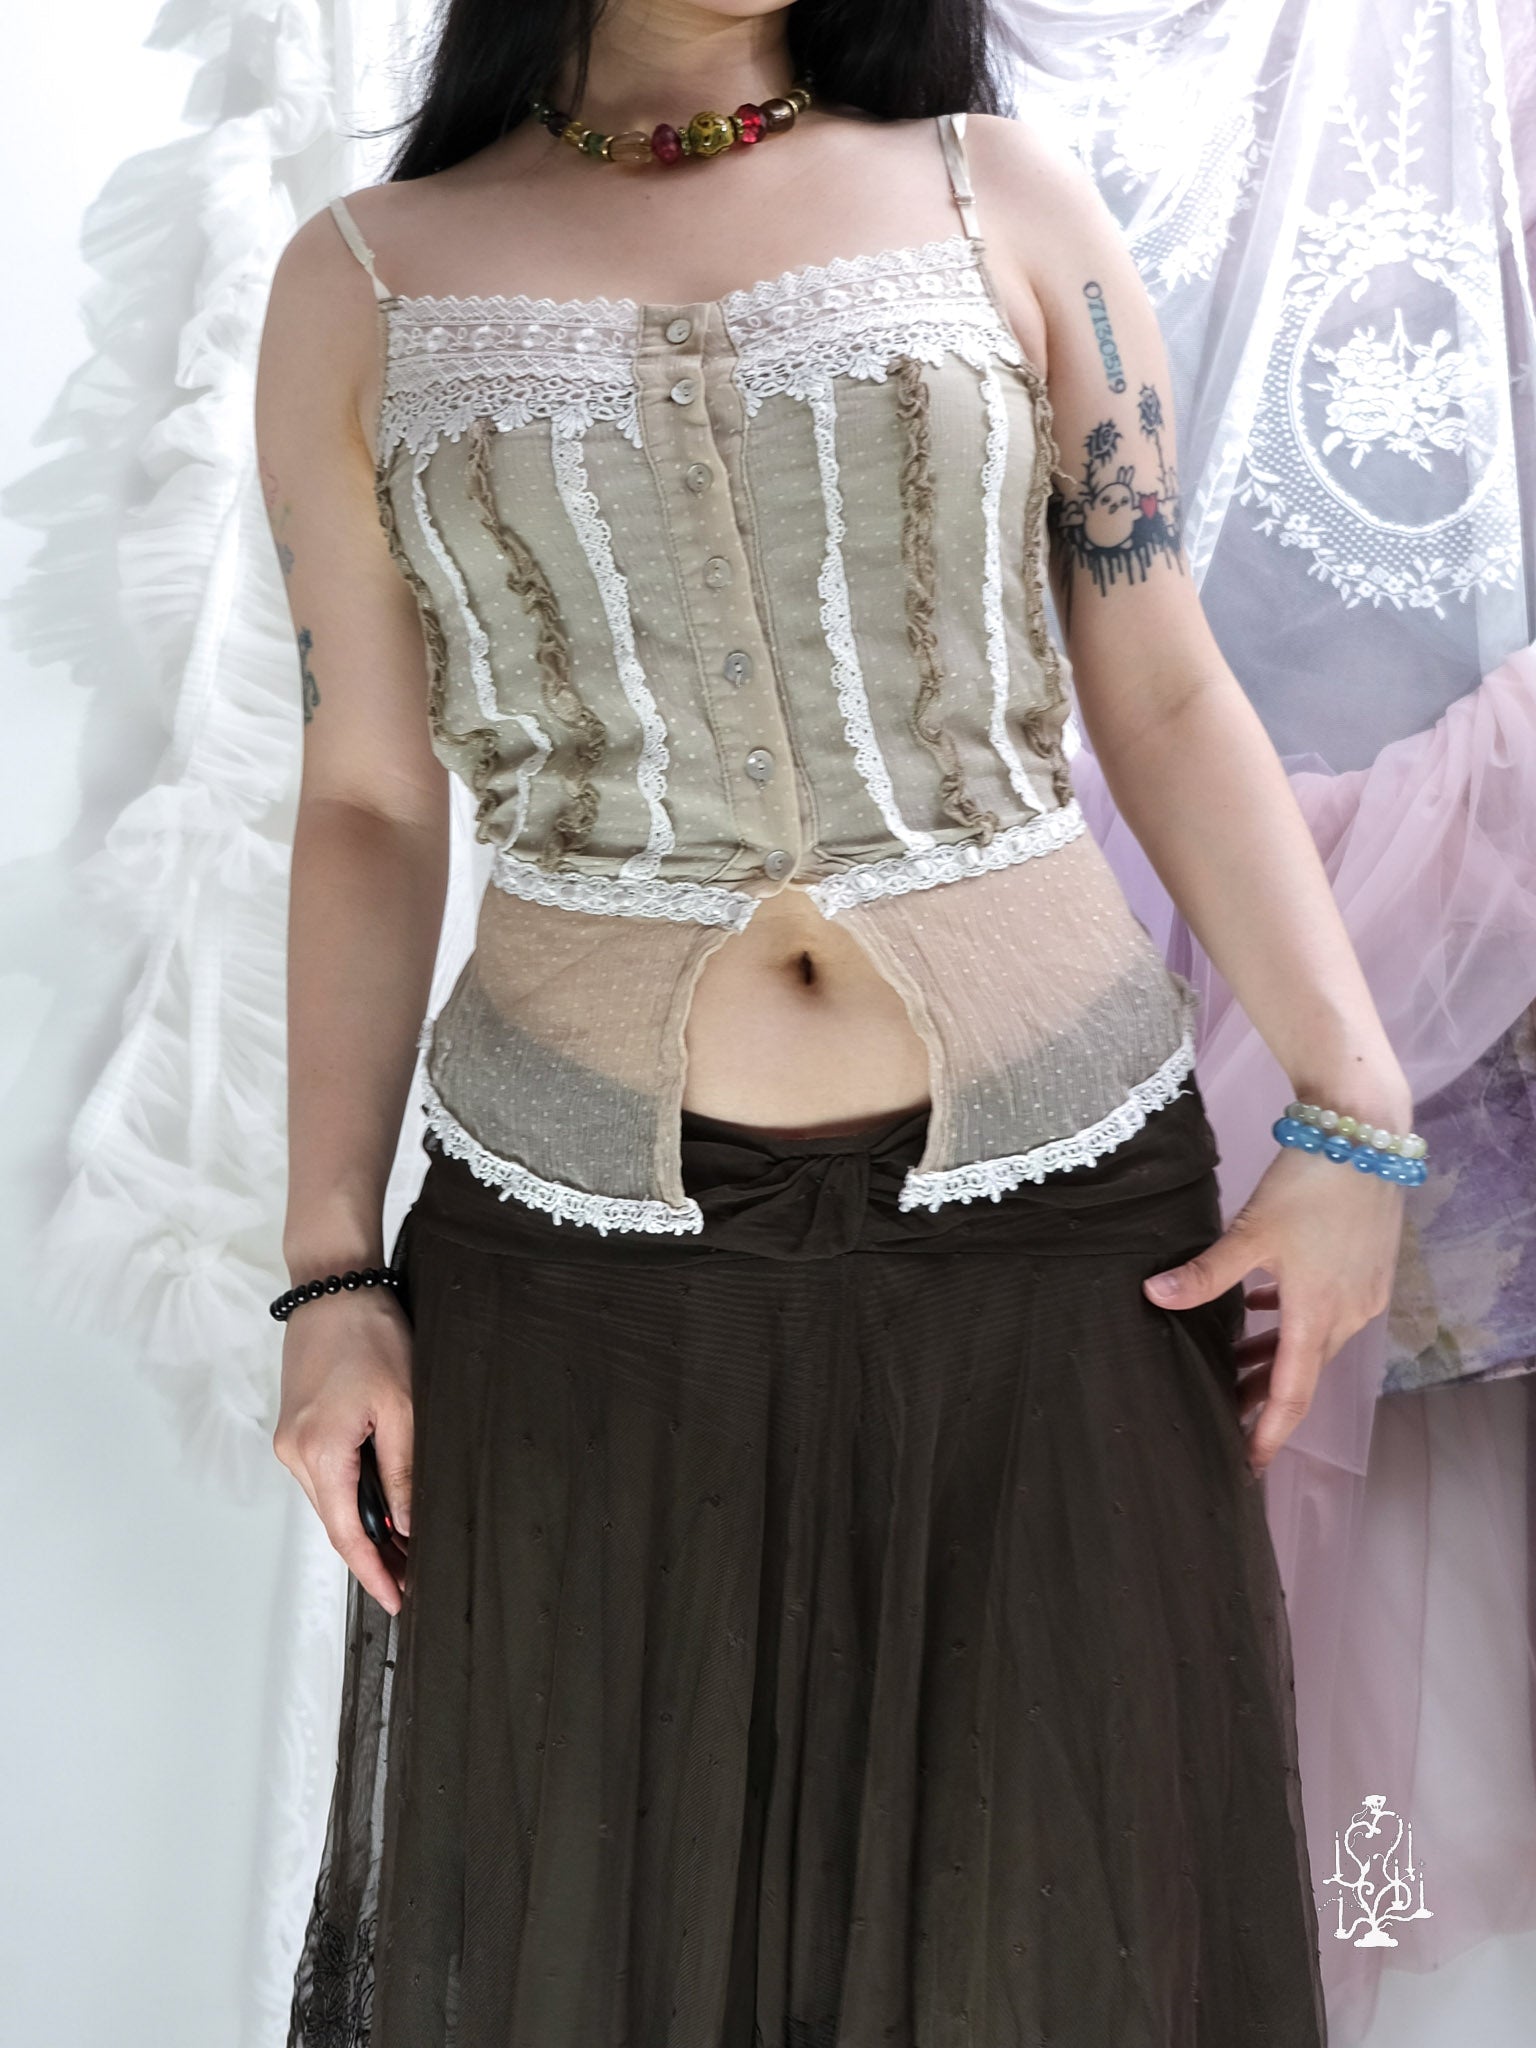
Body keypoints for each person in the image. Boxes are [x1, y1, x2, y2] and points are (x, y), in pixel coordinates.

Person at [258, 2, 1416, 2041]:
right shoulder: (361, 280)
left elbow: (1162, 685)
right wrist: (329, 1269)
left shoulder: (1002, 197)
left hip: (1064, 1229)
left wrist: (1356, 1110)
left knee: (1060, 1939)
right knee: (610, 1946)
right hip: (576, 1261)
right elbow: (365, 795)